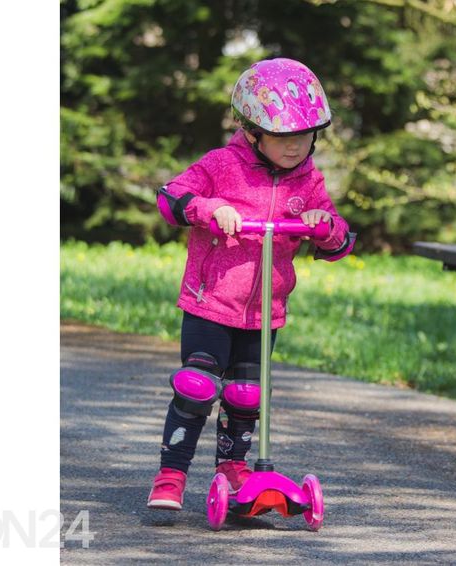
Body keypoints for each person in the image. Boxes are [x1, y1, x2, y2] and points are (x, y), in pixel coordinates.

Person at [147, 58, 355, 510]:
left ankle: (233, 470)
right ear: (253, 130)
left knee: (246, 396)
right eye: (284, 136)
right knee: (197, 386)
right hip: (211, 305)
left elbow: (339, 239)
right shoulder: (222, 165)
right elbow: (172, 197)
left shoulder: (309, 180)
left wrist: (323, 226)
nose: (296, 146)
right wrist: (210, 209)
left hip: (265, 311)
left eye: (305, 135)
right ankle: (171, 475)